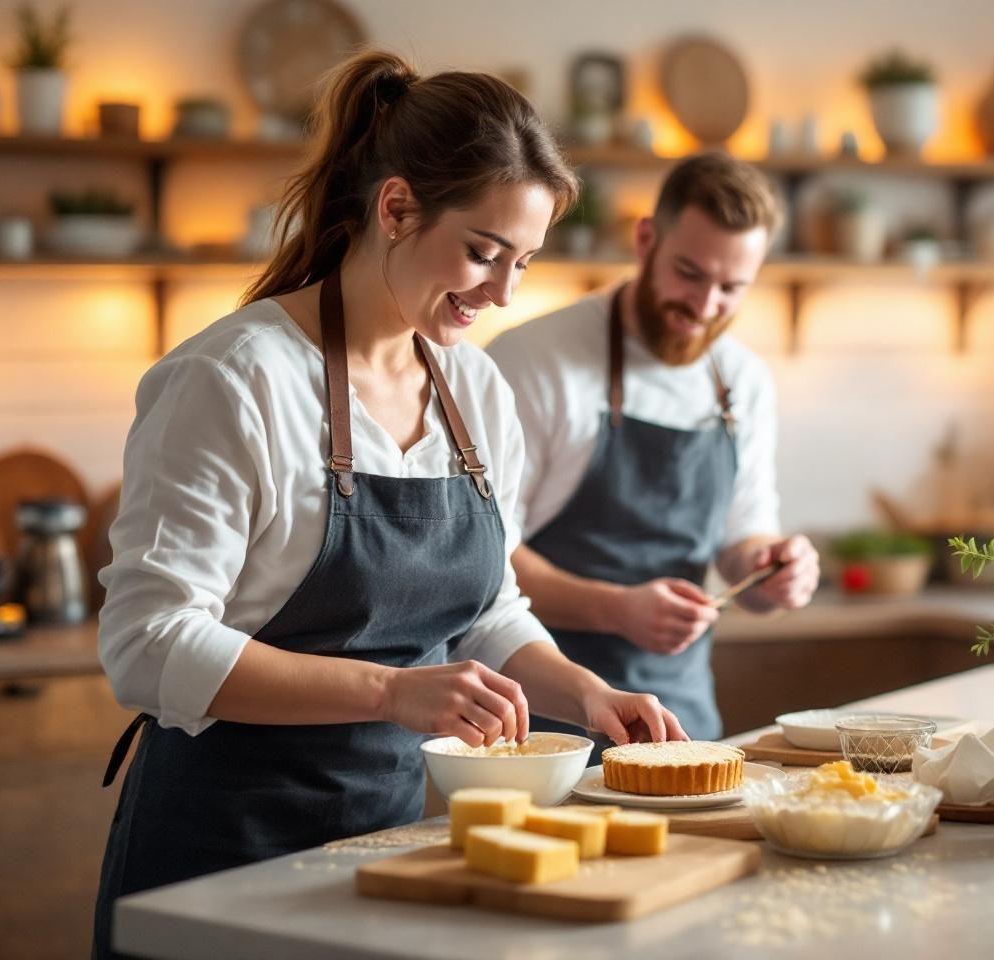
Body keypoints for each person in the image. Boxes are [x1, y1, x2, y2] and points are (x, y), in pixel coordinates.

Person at [91, 50, 683, 959]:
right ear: (396, 207)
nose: (503, 293)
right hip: (219, 855)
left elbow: (487, 610)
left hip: (388, 849)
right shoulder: (235, 379)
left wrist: (587, 694)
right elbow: (149, 644)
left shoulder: (476, 392)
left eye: (523, 262)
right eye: (484, 253)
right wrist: (394, 691)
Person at [486, 152, 820, 751]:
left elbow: (741, 541)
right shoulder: (535, 361)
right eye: (689, 273)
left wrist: (770, 571)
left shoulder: (742, 380)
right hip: (540, 728)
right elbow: (484, 558)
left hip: (680, 722)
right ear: (646, 240)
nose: (705, 305)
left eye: (731, 288)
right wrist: (616, 609)